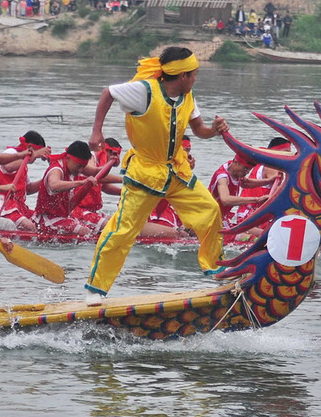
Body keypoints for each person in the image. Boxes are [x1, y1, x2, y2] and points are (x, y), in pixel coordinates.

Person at [85, 46, 229, 304]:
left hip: (176, 171)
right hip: (145, 173)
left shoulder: (188, 95)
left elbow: (199, 130)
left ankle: (212, 266)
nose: (196, 78)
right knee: (122, 231)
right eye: (194, 74)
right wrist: (97, 131)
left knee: (210, 210)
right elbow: (108, 92)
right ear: (182, 75)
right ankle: (95, 289)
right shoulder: (144, 91)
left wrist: (215, 131)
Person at [34, 140, 106, 236]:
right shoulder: (56, 169)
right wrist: (81, 182)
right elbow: (53, 185)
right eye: (79, 166)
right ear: (68, 158)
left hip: (62, 217)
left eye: (83, 167)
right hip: (46, 219)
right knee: (84, 232)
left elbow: (97, 172)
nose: (81, 170)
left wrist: (112, 164)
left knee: (91, 230)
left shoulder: (74, 165)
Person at [0, 131, 52, 223]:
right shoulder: (11, 152)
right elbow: (8, 166)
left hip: (17, 205)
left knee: (41, 222)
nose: (35, 159)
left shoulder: (23, 163)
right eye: (36, 154)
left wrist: (47, 179)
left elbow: (29, 189)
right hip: (2, 203)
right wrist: (33, 155)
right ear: (30, 148)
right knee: (29, 226)